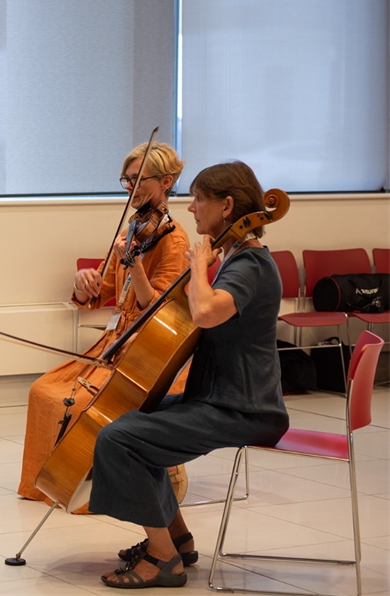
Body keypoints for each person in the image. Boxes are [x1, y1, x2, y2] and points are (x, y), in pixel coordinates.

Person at [90, 160, 289, 589]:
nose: (193, 207)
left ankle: (163, 561)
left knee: (120, 439)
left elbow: (203, 311)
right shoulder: (234, 255)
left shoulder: (250, 264)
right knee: (130, 418)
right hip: (217, 396)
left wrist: (199, 265)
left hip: (243, 407)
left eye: (200, 199)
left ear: (227, 205)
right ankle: (177, 539)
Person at [19, 142, 191, 504]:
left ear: (166, 182)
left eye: (138, 179)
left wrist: (135, 265)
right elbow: (96, 297)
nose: (130, 188)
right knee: (44, 391)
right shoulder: (133, 230)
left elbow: (158, 308)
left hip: (149, 351)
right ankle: (55, 484)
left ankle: (98, 491)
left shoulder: (174, 240)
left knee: (81, 405)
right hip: (115, 342)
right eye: (126, 180)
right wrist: (85, 283)